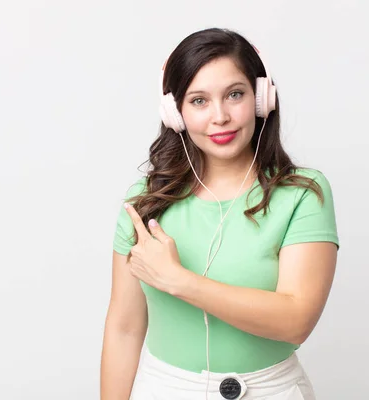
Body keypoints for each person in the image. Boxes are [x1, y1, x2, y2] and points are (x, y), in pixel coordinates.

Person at [100, 27, 339, 400]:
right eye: (199, 101)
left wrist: (180, 281)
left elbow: (296, 321)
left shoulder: (302, 194)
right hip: (164, 389)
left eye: (235, 95)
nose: (221, 116)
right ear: (175, 113)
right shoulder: (146, 201)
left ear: (262, 100)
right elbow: (124, 327)